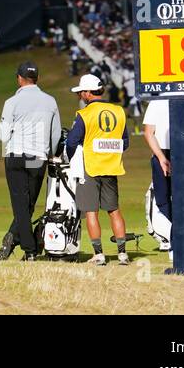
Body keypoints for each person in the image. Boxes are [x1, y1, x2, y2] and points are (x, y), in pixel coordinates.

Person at [0, 60, 61, 262]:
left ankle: (29, 249)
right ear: (37, 78)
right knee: (29, 204)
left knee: (20, 206)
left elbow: (3, 136)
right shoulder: (50, 101)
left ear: (19, 79)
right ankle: (16, 239)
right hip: (38, 158)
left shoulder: (11, 102)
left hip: (16, 156)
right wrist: (50, 152)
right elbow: (56, 134)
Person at [66, 73, 130, 266]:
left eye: (81, 93)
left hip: (90, 167)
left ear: (87, 93)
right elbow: (124, 142)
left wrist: (72, 159)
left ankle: (99, 255)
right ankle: (122, 254)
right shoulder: (119, 111)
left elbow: (72, 142)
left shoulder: (84, 115)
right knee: (114, 210)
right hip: (112, 166)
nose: (80, 96)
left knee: (91, 211)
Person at [142, 97, 173, 251]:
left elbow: (148, 133)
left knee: (162, 198)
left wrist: (161, 158)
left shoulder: (156, 101)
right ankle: (182, 236)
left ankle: (169, 238)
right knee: (182, 197)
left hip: (162, 151)